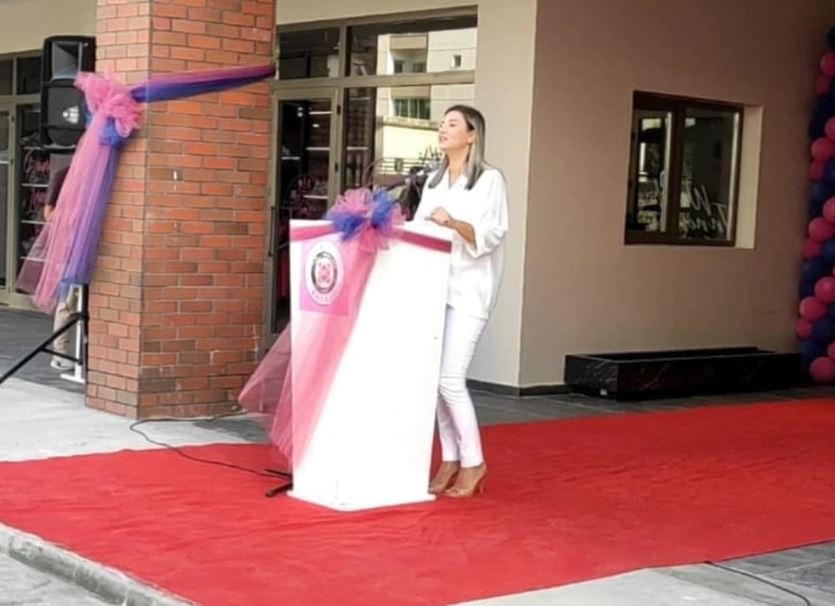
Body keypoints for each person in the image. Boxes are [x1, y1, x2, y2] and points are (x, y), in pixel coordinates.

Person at [413, 105, 509, 498]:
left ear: (472, 135)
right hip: (435, 289)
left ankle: (473, 463)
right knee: (436, 383)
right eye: (441, 123)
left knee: (450, 379)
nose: (443, 128)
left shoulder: (489, 180)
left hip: (470, 290)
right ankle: (450, 459)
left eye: (452, 124)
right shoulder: (434, 181)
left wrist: (451, 222)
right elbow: (419, 230)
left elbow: (492, 235)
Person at [42, 164, 76, 371]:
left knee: (74, 300)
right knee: (68, 300)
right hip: (68, 246)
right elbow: (49, 214)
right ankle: (59, 353)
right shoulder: (62, 175)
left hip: (82, 246)